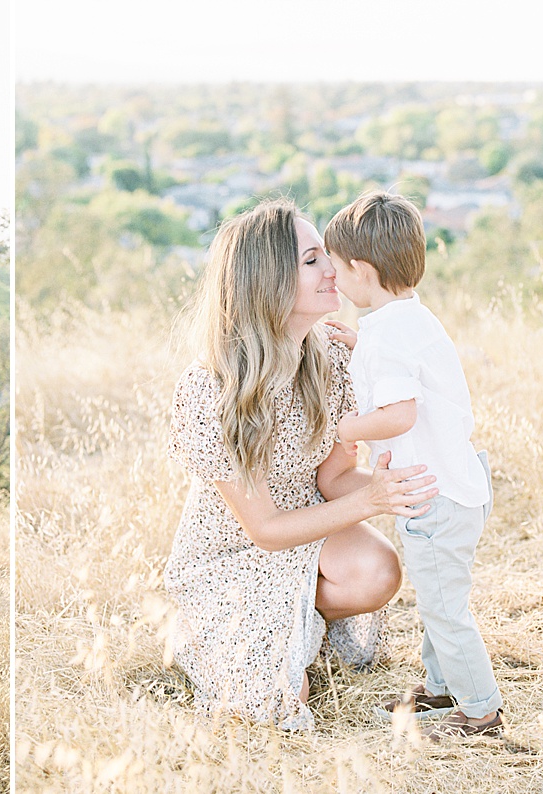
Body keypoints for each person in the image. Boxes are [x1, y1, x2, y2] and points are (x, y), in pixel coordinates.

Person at [164, 198, 439, 731]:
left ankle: (292, 625)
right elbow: (263, 529)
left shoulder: (334, 358)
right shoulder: (209, 388)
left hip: (308, 518)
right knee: (271, 703)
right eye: (312, 260)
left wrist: (406, 490)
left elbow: (334, 477)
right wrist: (370, 502)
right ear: (267, 280)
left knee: (379, 572)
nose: (333, 269)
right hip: (232, 546)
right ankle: (225, 626)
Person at [324, 191, 501, 740]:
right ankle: (443, 686)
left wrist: (342, 428)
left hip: (438, 497)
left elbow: (400, 412)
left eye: (335, 270)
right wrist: (360, 347)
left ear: (361, 269)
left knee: (446, 608)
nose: (335, 282)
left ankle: (480, 710)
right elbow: (400, 370)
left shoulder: (390, 333)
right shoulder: (404, 319)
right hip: (455, 483)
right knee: (438, 597)